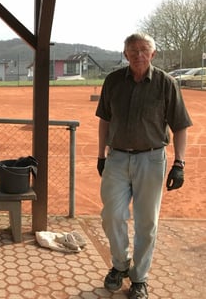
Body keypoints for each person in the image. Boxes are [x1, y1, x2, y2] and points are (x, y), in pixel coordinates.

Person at [96, 32, 192, 299]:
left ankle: (139, 278)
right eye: (133, 50)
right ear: (125, 54)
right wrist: (101, 155)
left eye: (143, 49)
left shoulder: (166, 83)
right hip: (116, 158)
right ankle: (120, 265)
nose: (138, 54)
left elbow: (180, 125)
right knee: (111, 215)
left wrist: (179, 163)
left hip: (151, 159)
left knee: (147, 221)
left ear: (153, 54)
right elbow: (104, 120)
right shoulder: (113, 81)